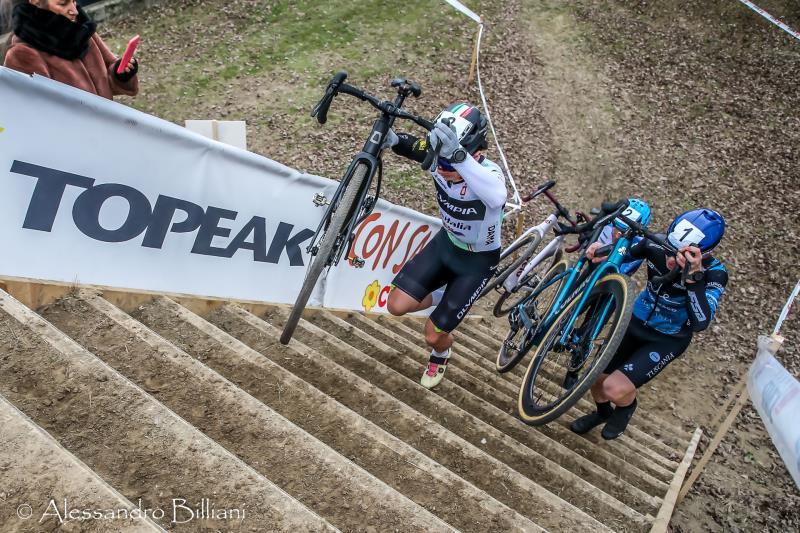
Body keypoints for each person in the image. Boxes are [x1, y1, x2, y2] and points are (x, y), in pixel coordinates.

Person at [570, 208, 728, 439]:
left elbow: (701, 322)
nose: (671, 258)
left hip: (667, 339)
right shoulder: (655, 244)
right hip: (635, 321)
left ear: (704, 253)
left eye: (682, 255)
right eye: (669, 248)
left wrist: (694, 280)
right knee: (595, 379)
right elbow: (623, 253)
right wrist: (600, 250)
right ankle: (602, 413)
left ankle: (626, 407)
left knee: (613, 388)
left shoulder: (715, 273)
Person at [383, 102, 507, 389]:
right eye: (440, 162)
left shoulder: (488, 173)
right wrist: (394, 140)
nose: (442, 169)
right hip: (447, 245)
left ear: (473, 155)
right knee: (396, 306)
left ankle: (441, 353)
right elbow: (415, 147)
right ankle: (444, 295)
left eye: (449, 164)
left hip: (477, 262)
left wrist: (459, 159)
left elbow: (498, 197)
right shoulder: (440, 159)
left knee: (432, 335)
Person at [2, 0, 138, 99]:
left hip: (104, 126)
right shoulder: (23, 54)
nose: (75, 11)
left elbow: (108, 80)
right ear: (36, 2)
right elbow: (39, 112)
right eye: (63, 4)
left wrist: (121, 74)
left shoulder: (83, 31)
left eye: (73, 1)